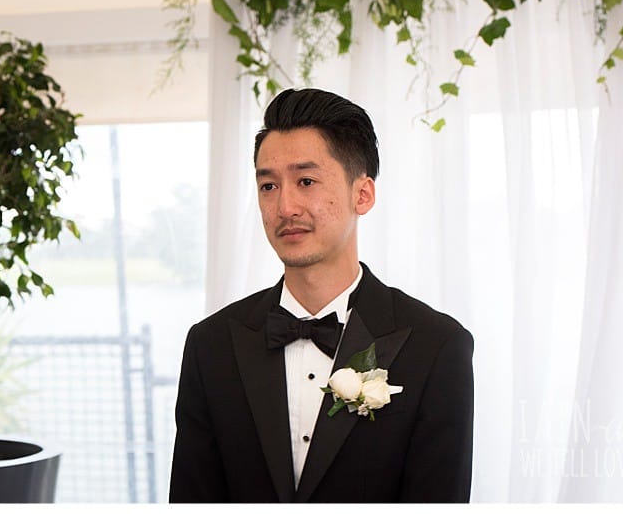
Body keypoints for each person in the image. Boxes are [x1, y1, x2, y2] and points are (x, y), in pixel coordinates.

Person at [169, 88, 474, 503]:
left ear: (362, 194)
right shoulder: (211, 344)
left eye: (306, 181)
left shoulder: (437, 345)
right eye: (268, 186)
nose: (285, 206)